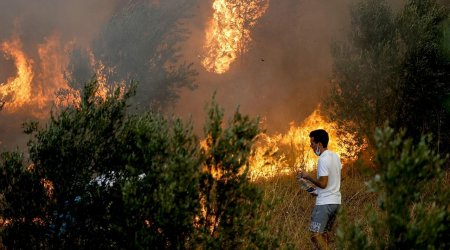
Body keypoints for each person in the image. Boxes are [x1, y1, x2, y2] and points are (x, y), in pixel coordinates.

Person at [298, 129, 342, 249]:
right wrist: (309, 188)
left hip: (325, 205)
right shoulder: (335, 157)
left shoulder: (323, 159)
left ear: (320, 144)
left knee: (315, 235)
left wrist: (308, 177)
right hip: (336, 202)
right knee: (324, 234)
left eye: (312, 143)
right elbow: (331, 183)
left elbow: (323, 184)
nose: (311, 146)